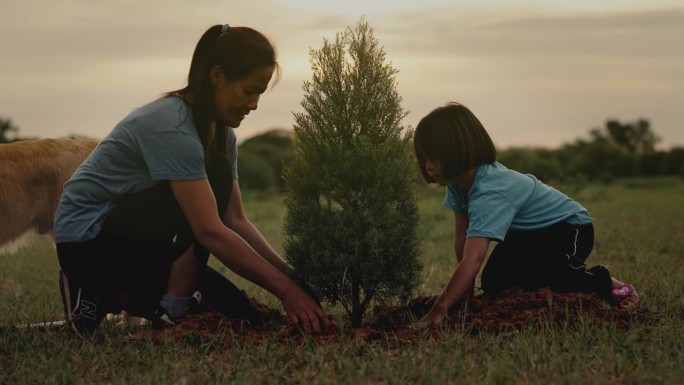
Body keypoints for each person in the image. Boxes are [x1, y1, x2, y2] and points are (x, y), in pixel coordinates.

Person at [55, 24, 330, 338]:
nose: (254, 104)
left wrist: (292, 278)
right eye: (248, 90)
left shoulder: (221, 133)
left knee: (241, 313)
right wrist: (286, 292)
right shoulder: (171, 126)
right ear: (217, 76)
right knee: (209, 188)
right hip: (90, 242)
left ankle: (104, 297)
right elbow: (210, 230)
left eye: (259, 94)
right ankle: (162, 303)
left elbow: (235, 220)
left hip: (139, 242)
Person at [411, 102, 638, 327]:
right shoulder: (458, 184)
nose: (429, 165)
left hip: (568, 226)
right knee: (496, 282)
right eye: (425, 156)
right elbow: (462, 236)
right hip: (525, 237)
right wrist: (464, 294)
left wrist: (438, 311)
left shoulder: (490, 190)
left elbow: (474, 259)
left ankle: (609, 285)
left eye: (435, 156)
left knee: (554, 272)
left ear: (458, 149)